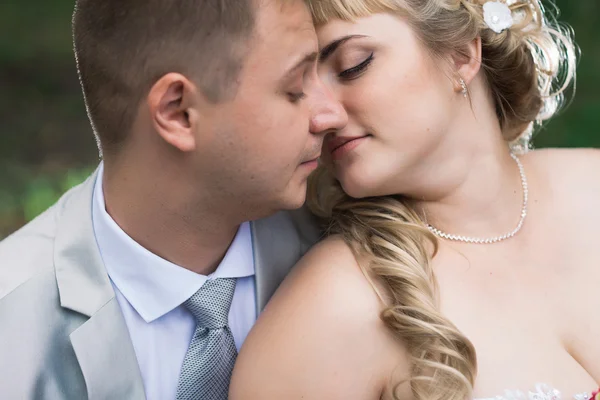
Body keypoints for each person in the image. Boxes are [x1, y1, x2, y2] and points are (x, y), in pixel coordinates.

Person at [229, 0, 600, 399]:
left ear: (461, 54)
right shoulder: (330, 309)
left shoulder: (591, 183)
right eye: (299, 88)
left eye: (353, 65)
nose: (322, 116)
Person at [0, 0, 347, 398]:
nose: (332, 114)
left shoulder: (353, 249)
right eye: (294, 88)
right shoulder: (10, 331)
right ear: (178, 111)